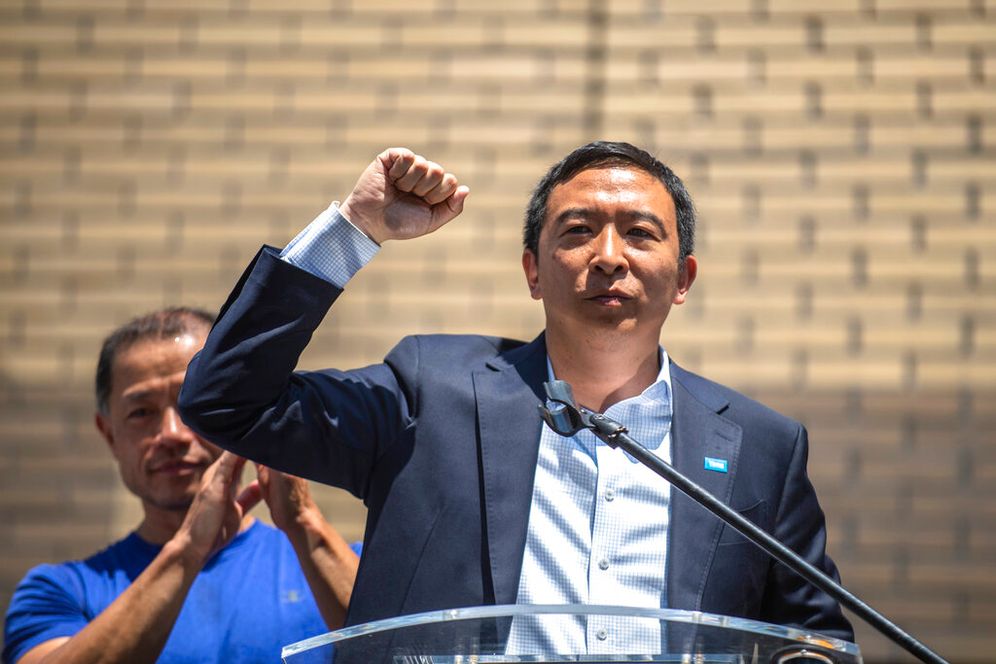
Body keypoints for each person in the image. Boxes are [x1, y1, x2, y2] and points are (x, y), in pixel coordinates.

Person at [177, 142, 854, 650]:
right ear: (533, 271)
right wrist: (355, 228)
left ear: (683, 279)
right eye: (578, 231)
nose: (609, 255)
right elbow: (225, 401)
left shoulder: (762, 448)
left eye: (641, 233)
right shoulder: (430, 392)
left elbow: (813, 640)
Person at [3, 308, 361, 664]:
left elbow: (394, 645)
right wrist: (188, 549)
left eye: (192, 405)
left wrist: (304, 523)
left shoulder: (348, 564)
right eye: (141, 412)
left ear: (241, 414)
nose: (172, 434)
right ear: (109, 434)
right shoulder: (61, 592)